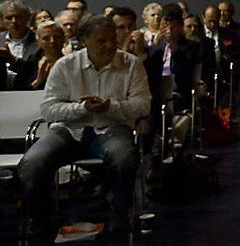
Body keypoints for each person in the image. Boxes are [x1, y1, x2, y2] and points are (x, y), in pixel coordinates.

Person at [18, 16, 151, 234]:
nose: (109, 45)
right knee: (32, 162)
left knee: (124, 158)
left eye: (112, 40)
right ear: (84, 41)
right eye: (102, 41)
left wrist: (111, 107)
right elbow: (48, 109)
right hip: (68, 129)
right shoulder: (65, 66)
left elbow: (143, 105)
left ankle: (120, 211)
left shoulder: (131, 64)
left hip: (112, 127)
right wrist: (81, 109)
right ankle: (38, 216)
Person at [1, 0, 41, 90]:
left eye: (18, 17)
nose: (14, 21)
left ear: (27, 18)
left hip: (28, 94)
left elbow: (34, 73)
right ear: (2, 20)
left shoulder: (39, 42)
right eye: (9, 18)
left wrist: (12, 59)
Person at [30, 21, 66, 90]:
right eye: (46, 38)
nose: (52, 41)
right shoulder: (31, 63)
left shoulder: (72, 64)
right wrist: (38, 81)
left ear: (64, 39)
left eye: (56, 37)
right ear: (38, 42)